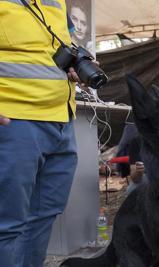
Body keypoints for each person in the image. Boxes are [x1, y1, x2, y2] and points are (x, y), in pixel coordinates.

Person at [0, 1, 85, 266]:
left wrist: (75, 64)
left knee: (42, 219)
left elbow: (63, 42)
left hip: (61, 120)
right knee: (7, 225)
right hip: (14, 119)